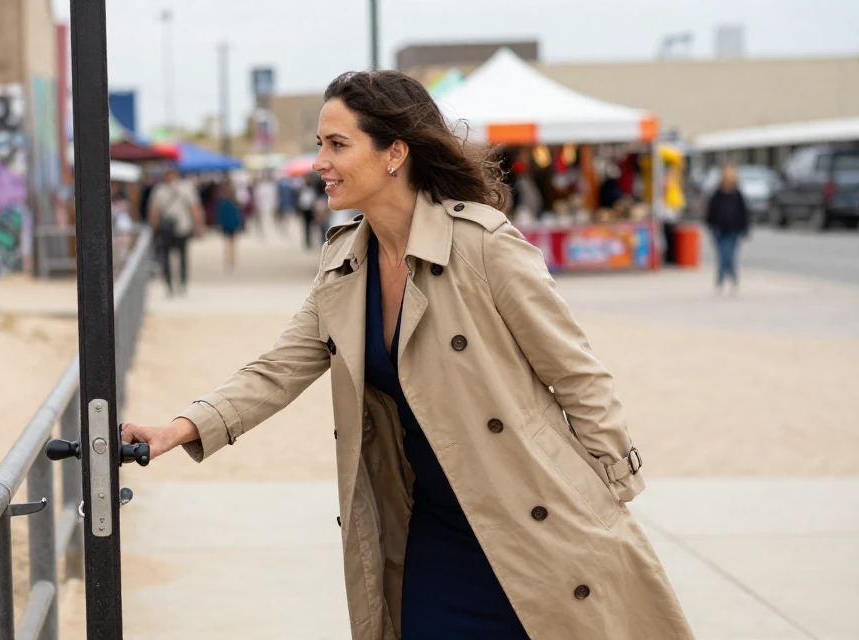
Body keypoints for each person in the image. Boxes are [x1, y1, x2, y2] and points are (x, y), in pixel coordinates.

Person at [123, 70, 692, 640]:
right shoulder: (344, 264)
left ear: (395, 152)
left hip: (531, 516)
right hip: (435, 529)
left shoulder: (483, 246)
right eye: (320, 143)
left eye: (337, 144)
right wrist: (182, 427)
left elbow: (578, 376)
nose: (320, 160)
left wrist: (608, 493)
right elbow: (280, 367)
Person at [147, 168, 204, 296]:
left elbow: (153, 211)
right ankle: (178, 284)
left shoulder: (160, 190)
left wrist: (154, 228)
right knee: (180, 257)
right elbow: (195, 208)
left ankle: (173, 285)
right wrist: (199, 226)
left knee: (170, 257)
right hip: (180, 227)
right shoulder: (184, 188)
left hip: (173, 227)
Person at [705, 163, 750, 295]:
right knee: (722, 256)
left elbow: (744, 213)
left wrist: (745, 228)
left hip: (734, 230)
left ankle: (722, 280)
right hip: (719, 230)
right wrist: (711, 226)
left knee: (728, 256)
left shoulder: (738, 194)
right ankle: (729, 278)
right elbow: (710, 212)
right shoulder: (717, 194)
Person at [215, 182, 243, 273]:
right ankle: (229, 260)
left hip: (231, 224)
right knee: (228, 244)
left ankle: (231, 260)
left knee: (231, 244)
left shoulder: (230, 201)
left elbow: (237, 214)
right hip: (228, 224)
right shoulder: (225, 201)